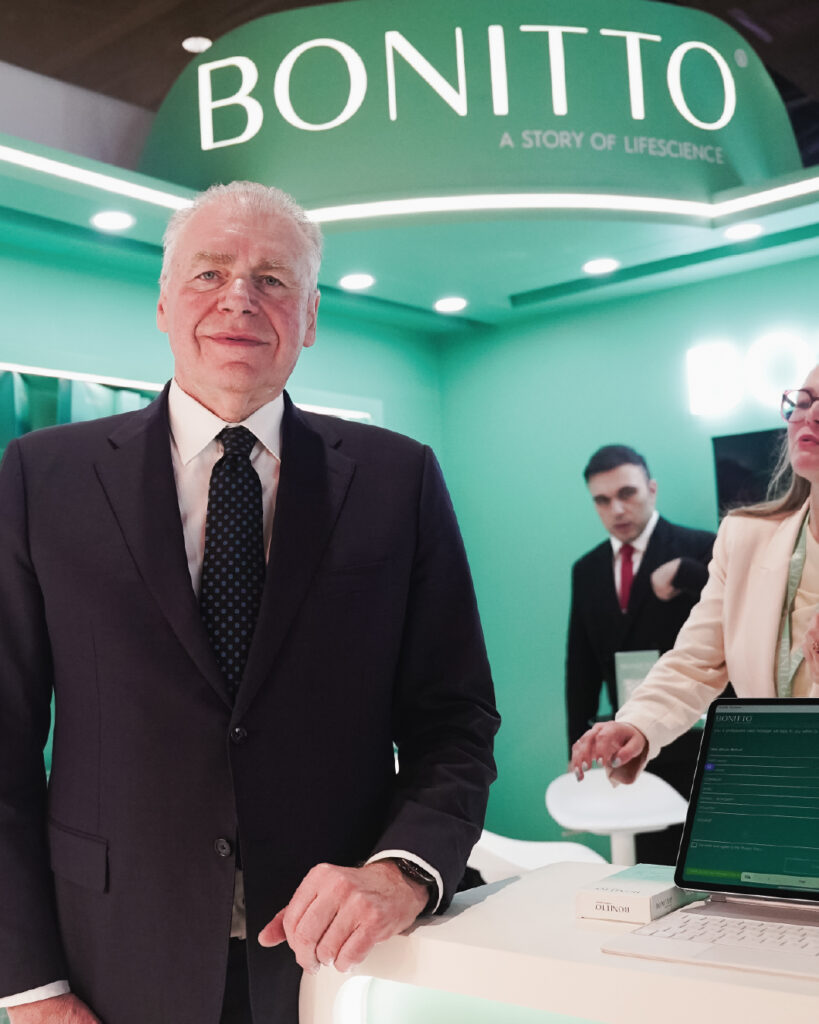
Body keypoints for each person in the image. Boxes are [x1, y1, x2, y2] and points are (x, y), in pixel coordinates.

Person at [0, 181, 500, 1024]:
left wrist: (400, 870)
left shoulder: (396, 478)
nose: (239, 297)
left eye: (272, 278)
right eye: (208, 273)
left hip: (336, 961)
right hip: (110, 957)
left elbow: (453, 720)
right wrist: (29, 986)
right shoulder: (41, 477)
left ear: (308, 319)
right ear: (163, 305)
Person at [571, 371, 819, 791]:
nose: (806, 416)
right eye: (804, 400)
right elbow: (695, 660)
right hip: (774, 789)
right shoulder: (744, 538)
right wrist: (636, 721)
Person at [566, 445, 715, 862]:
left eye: (627, 493)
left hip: (701, 737)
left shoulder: (701, 546)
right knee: (651, 867)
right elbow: (579, 666)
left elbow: (742, 607)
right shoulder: (588, 568)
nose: (617, 508)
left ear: (651, 489)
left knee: (709, 863)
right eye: (602, 499)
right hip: (633, 739)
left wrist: (686, 573)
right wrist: (575, 746)